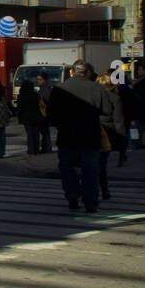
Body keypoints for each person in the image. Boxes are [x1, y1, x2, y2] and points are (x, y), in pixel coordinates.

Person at [46, 59, 105, 213]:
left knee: (67, 168)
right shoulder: (96, 87)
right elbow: (107, 109)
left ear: (71, 72)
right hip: (90, 137)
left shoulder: (59, 89)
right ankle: (90, 202)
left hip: (67, 137)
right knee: (90, 171)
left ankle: (72, 195)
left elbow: (51, 115)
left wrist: (62, 124)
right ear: (88, 73)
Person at [95, 74, 125, 202]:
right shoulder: (115, 99)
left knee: (93, 164)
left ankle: (93, 189)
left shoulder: (93, 97)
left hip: (94, 133)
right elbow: (119, 122)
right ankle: (104, 189)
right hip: (109, 135)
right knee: (102, 165)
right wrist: (122, 142)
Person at [16, 79, 45, 155]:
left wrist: (20, 118)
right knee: (36, 134)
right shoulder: (35, 95)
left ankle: (31, 150)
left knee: (29, 134)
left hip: (26, 117)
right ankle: (36, 149)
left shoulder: (21, 96)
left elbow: (20, 108)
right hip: (36, 116)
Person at [35, 73, 54, 153]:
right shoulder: (44, 88)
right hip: (45, 113)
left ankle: (47, 148)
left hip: (45, 113)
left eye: (40, 79)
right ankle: (46, 147)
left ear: (44, 80)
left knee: (45, 132)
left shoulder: (46, 89)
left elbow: (46, 100)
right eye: (37, 79)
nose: (38, 81)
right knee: (45, 132)